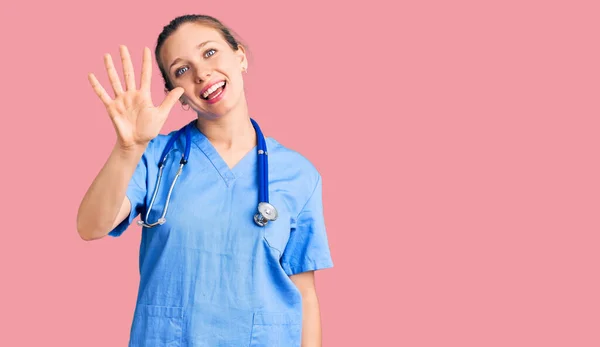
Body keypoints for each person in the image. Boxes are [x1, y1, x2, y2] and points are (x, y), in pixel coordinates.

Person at [76, 14, 334, 347]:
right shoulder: (154, 156)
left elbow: (305, 294)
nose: (201, 73)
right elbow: (90, 227)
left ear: (239, 56)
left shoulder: (299, 174)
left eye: (209, 52)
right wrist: (128, 148)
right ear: (178, 95)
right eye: (181, 70)